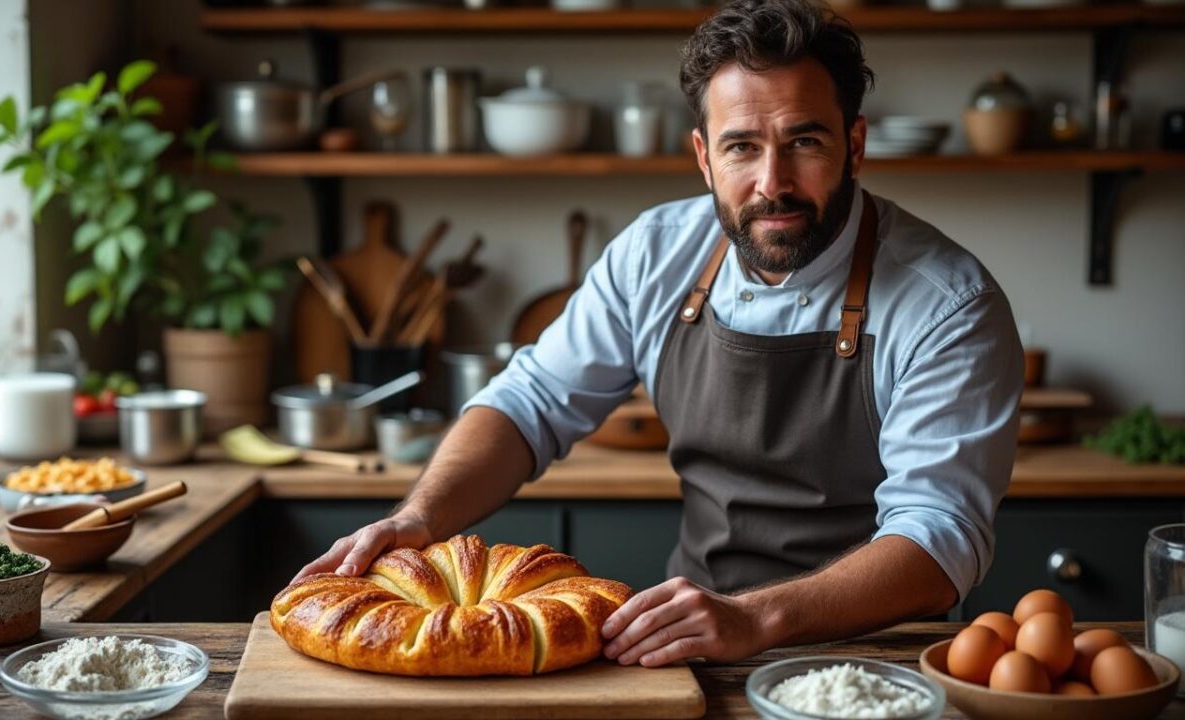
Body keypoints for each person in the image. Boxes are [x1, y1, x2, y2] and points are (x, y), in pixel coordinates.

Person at [294, 0, 1023, 668]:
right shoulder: (655, 254)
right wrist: (419, 518)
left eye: (804, 141)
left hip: (881, 659)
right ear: (704, 156)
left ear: (855, 146)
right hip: (692, 640)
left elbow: (938, 539)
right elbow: (531, 403)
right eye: (741, 148)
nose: (774, 181)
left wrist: (755, 618)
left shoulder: (947, 304)